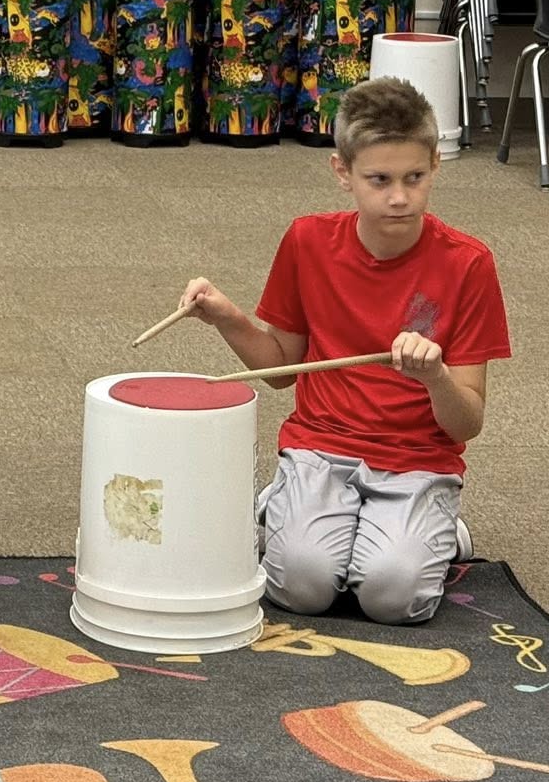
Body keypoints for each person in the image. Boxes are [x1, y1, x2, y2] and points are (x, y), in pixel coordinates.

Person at [177, 77, 510, 625]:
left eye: (414, 178)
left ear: (435, 166)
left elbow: (466, 423)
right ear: (342, 173)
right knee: (302, 589)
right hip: (321, 449)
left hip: (418, 462)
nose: (399, 197)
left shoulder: (468, 264)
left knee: (393, 599)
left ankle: (440, 529)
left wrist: (436, 378)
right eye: (378, 179)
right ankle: (287, 502)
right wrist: (227, 318)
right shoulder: (308, 241)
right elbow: (283, 370)